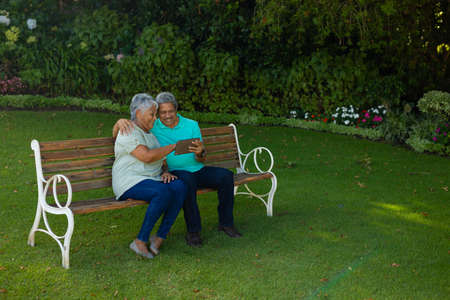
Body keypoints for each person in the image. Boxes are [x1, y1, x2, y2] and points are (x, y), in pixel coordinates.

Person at [113, 92, 242, 248]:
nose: (167, 116)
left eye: (171, 111)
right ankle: (193, 232)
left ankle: (226, 223)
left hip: (196, 168)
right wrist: (119, 122)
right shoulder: (153, 126)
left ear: (176, 110)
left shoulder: (191, 125)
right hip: (175, 171)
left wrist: (201, 152)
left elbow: (202, 159)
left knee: (226, 176)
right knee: (186, 181)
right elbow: (131, 130)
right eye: (162, 112)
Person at [112, 93, 187, 258]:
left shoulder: (151, 135)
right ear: (138, 113)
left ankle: (159, 237)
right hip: (129, 182)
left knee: (180, 187)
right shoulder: (128, 131)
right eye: (152, 114)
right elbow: (146, 156)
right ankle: (140, 241)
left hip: (152, 179)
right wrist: (173, 146)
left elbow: (161, 160)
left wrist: (166, 172)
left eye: (155, 114)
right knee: (162, 192)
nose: (155, 118)